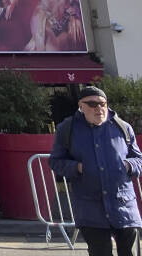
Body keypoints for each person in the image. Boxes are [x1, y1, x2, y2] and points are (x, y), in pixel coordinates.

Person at [49, 86, 142, 256]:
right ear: (81, 106)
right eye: (92, 104)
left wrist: (128, 165)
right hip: (90, 208)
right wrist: (77, 167)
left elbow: (139, 159)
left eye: (102, 104)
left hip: (124, 205)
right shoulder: (67, 129)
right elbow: (55, 161)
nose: (99, 108)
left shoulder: (122, 127)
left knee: (129, 253)